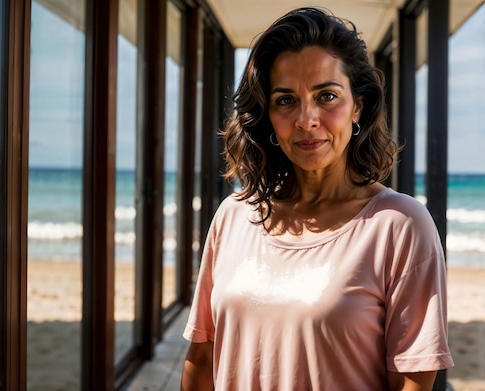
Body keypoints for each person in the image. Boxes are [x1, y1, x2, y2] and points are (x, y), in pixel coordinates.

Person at [181, 7, 453, 391]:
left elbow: (412, 382)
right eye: (286, 100)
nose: (307, 119)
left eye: (327, 96)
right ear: (268, 116)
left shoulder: (400, 225)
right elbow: (203, 357)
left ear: (357, 106)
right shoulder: (233, 216)